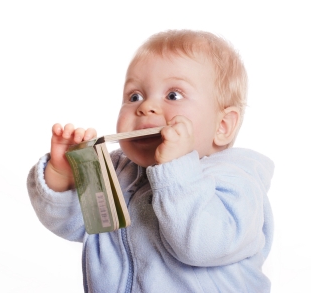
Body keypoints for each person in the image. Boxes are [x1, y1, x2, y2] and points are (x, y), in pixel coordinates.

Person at [27, 29, 274, 292]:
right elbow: (73, 224)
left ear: (223, 125)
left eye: (173, 95)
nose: (145, 107)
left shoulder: (237, 183)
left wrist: (175, 171)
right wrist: (65, 177)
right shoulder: (118, 172)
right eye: (135, 96)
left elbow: (201, 245)